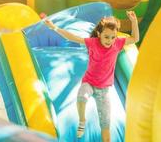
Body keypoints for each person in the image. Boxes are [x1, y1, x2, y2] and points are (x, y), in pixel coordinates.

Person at [44, 11, 139, 142]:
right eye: (106, 37)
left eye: (112, 37)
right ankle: (82, 120)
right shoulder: (93, 42)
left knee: (106, 127)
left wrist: (134, 22)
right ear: (99, 34)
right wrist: (54, 28)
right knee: (82, 97)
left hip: (104, 90)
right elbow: (72, 37)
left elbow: (135, 39)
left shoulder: (117, 44)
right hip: (89, 82)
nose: (109, 41)